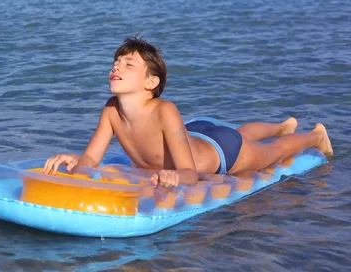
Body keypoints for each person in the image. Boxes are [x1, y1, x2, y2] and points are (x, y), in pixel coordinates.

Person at [43, 37, 333, 187]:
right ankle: (280, 125)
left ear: (150, 82)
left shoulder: (164, 110)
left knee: (271, 152)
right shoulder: (111, 110)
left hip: (221, 153)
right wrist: (77, 160)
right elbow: (92, 158)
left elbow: (191, 174)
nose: (116, 67)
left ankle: (314, 136)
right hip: (193, 133)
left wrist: (175, 178)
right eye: (116, 62)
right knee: (241, 132)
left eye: (128, 64)